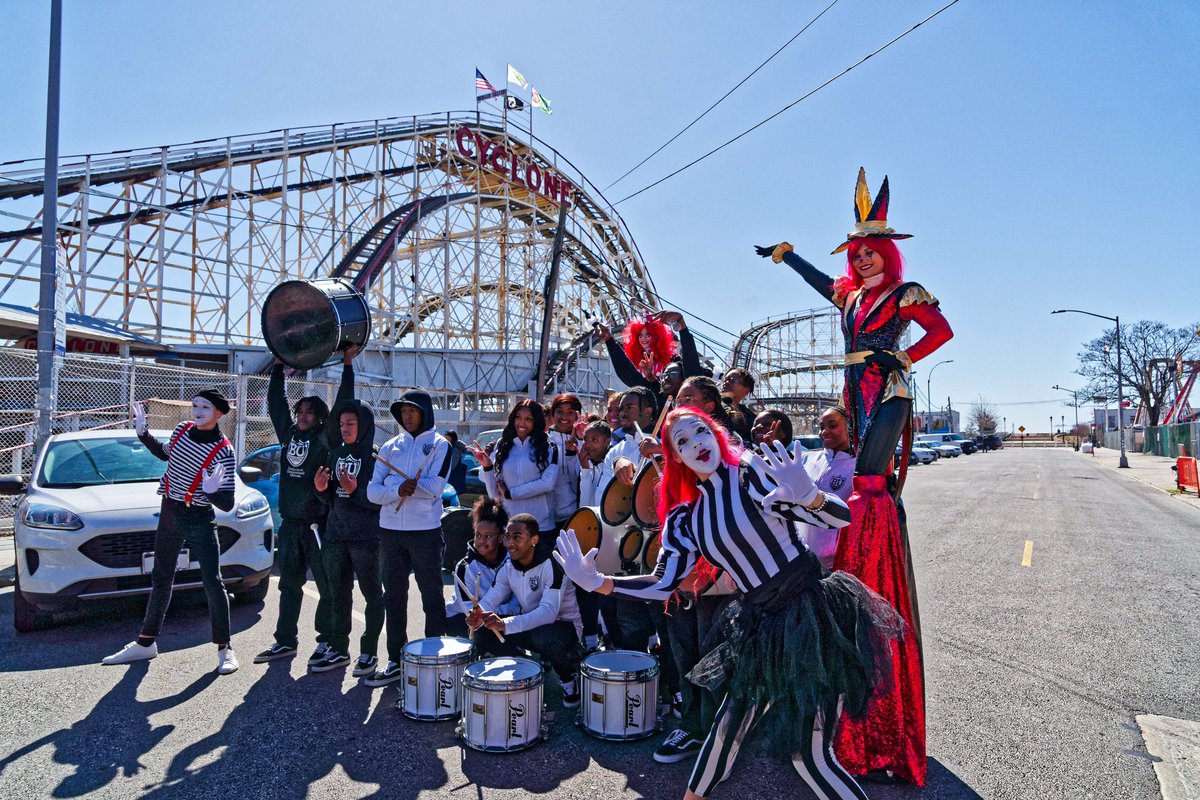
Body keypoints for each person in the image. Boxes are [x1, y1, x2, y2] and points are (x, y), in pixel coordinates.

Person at [554, 408, 903, 800]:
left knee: (810, 757)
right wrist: (600, 583)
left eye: (700, 431)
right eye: (682, 442)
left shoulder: (751, 472)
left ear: (716, 433)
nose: (695, 443)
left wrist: (811, 496)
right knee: (725, 732)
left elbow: (838, 520)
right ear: (676, 458)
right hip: (760, 624)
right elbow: (662, 582)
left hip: (808, 614)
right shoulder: (687, 518)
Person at [755, 168, 952, 784]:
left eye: (871, 253)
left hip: (885, 389)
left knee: (869, 483)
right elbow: (823, 283)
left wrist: (904, 357)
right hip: (853, 385)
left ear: (887, 255)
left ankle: (868, 535)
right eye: (857, 255)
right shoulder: (851, 297)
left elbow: (942, 332)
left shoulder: (903, 293)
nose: (863, 261)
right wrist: (789, 258)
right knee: (856, 479)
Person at [103, 390, 240, 674]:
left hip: (200, 516)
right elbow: (166, 455)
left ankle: (225, 649)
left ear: (219, 413)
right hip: (170, 511)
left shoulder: (224, 450)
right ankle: (146, 643)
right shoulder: (181, 431)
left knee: (213, 581)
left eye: (205, 406)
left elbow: (227, 502)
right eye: (195, 405)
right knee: (162, 577)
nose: (197, 410)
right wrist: (143, 435)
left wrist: (212, 492)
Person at [254, 349, 356, 666]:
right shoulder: (288, 435)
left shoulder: (326, 438)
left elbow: (342, 404)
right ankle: (285, 641)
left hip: (316, 525)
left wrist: (348, 365)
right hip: (290, 524)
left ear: (322, 418)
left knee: (325, 586)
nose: (302, 415)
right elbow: (275, 403)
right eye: (301, 411)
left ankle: (327, 642)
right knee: (288, 585)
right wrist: (278, 365)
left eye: (310, 412)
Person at [363, 389, 453, 686]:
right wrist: (397, 489)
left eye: (413, 411)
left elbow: (435, 487)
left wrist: (396, 483)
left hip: (425, 531)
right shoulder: (390, 446)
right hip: (390, 532)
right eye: (403, 412)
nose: (408, 416)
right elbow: (372, 492)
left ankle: (435, 659)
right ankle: (395, 659)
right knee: (394, 597)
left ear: (425, 411)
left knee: (431, 596)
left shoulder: (440, 445)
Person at [468, 513, 583, 707]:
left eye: (517, 537)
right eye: (507, 537)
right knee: (483, 632)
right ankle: (529, 670)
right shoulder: (508, 566)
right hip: (531, 625)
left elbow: (548, 613)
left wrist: (505, 623)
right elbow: (492, 598)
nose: (510, 543)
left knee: (544, 637)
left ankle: (569, 678)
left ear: (534, 540)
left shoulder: (553, 563)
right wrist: (478, 614)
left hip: (564, 628)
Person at [312, 398, 383, 676]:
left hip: (367, 539)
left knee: (373, 596)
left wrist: (355, 491)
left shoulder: (376, 457)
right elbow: (329, 499)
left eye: (350, 424)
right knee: (338, 596)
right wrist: (320, 490)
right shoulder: (335, 454)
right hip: (335, 536)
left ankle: (369, 652)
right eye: (341, 424)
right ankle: (339, 649)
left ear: (363, 425)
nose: (344, 429)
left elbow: (380, 501)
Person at [471, 399, 560, 534]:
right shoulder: (502, 445)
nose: (522, 423)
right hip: (510, 527)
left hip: (541, 527)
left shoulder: (548, 445)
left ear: (536, 421)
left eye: (529, 419)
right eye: (518, 417)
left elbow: (547, 484)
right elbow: (495, 494)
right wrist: (487, 467)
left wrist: (511, 494)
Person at [445, 497, 518, 637]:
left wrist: (495, 614)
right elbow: (470, 612)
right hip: (462, 618)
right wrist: (494, 614)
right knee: (480, 634)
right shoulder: (463, 567)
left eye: (488, 536)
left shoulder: (512, 561)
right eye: (478, 535)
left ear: (501, 537)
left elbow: (518, 603)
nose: (481, 541)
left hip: (496, 617)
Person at [719, 368, 756, 442]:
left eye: (732, 380)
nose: (726, 382)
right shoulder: (710, 405)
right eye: (725, 379)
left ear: (746, 390)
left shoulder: (750, 418)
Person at [444, 430, 470, 496]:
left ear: (452, 438)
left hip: (453, 481)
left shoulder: (455, 450)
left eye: (447, 438)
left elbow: (452, 466)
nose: (445, 440)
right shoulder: (449, 448)